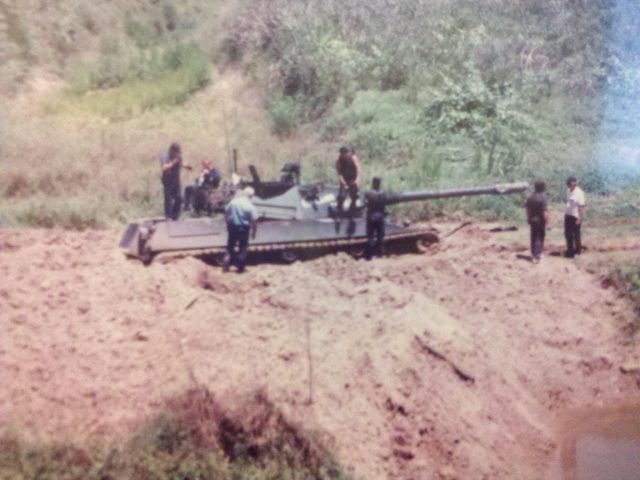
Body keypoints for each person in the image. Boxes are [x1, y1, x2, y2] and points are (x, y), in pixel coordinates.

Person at [223, 187, 259, 273]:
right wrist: (253, 233)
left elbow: (226, 214)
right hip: (243, 228)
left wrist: (227, 224)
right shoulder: (250, 206)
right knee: (242, 248)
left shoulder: (234, 202)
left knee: (230, 247)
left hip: (232, 227)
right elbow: (254, 222)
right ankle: (240, 269)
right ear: (251, 196)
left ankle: (225, 267)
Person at [160, 142, 191, 220]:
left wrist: (187, 166)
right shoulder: (165, 156)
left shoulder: (178, 156)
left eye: (178, 152)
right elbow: (164, 167)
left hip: (176, 180)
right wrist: (172, 163)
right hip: (168, 180)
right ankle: (168, 216)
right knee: (168, 199)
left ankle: (175, 215)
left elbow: (180, 163)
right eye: (176, 152)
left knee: (179, 198)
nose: (177, 154)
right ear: (172, 151)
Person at [364, 177, 392, 260]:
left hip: (371, 217)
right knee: (380, 236)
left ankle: (371, 255)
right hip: (380, 217)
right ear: (380, 183)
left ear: (373, 183)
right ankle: (380, 254)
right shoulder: (384, 193)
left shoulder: (368, 193)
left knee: (370, 237)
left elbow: (365, 201)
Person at [525, 180, 549, 264]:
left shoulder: (530, 197)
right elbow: (544, 212)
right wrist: (547, 222)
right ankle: (537, 255)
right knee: (539, 237)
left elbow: (527, 209)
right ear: (542, 188)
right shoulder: (543, 198)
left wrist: (528, 218)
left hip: (532, 219)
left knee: (533, 236)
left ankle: (533, 254)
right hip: (540, 220)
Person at [564, 176, 586, 258]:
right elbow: (568, 202)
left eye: (572, 183)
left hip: (575, 216)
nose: (570, 185)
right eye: (569, 184)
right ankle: (570, 252)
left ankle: (578, 252)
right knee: (567, 234)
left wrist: (580, 218)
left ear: (574, 184)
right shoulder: (568, 190)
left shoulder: (579, 193)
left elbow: (582, 206)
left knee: (576, 235)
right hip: (568, 215)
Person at [335, 146, 361, 216]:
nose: (345, 156)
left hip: (353, 178)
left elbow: (358, 168)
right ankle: (339, 209)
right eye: (343, 155)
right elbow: (339, 173)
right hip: (345, 178)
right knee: (341, 196)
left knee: (354, 196)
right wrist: (344, 183)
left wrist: (358, 179)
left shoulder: (353, 157)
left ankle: (353, 209)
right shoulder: (339, 160)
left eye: (346, 154)